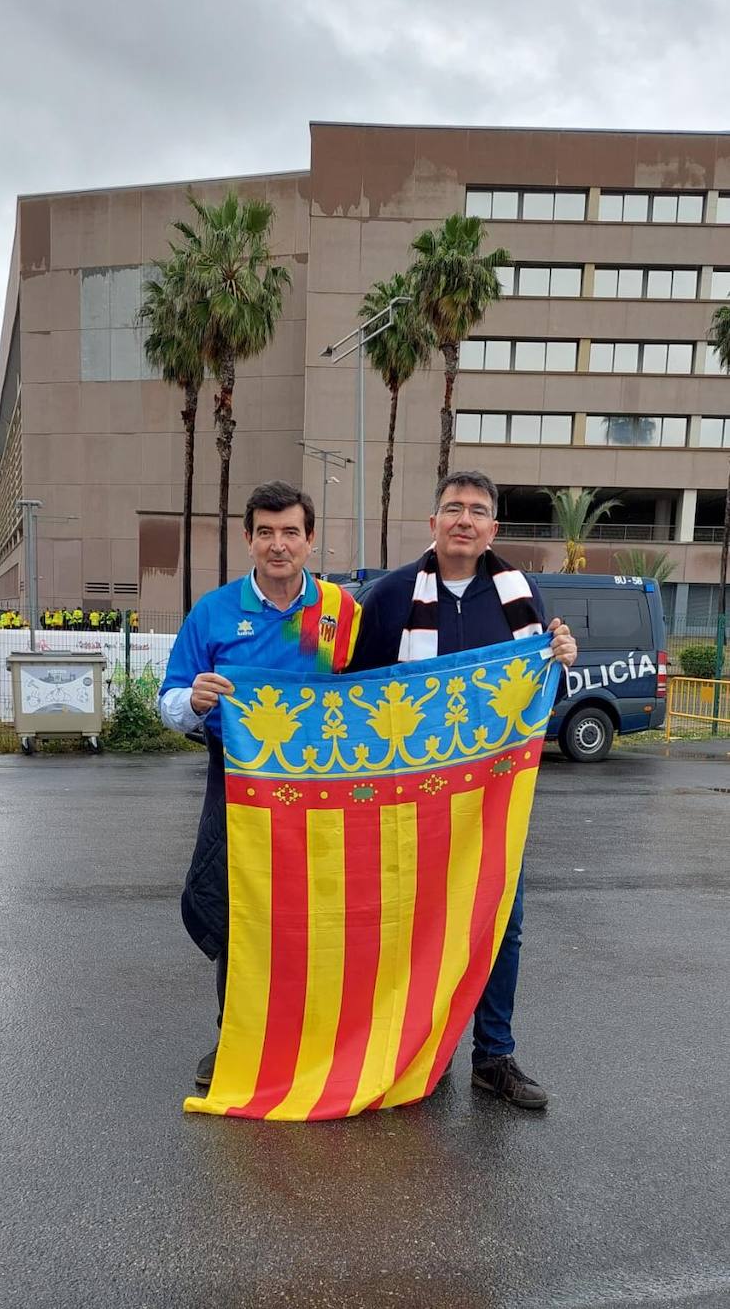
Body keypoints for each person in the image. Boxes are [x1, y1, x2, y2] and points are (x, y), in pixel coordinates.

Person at [348, 470, 578, 1109]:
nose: (464, 520)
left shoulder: (518, 595)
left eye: (478, 511)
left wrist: (558, 659)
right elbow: (355, 695)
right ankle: (417, 1051)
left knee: (501, 926)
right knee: (413, 928)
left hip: (493, 801)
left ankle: (493, 1057)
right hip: (409, 803)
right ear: (433, 522)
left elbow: (536, 700)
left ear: (492, 529)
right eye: (453, 508)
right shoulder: (389, 596)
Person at [159, 480, 361, 1086]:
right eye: (266, 533)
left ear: (310, 540)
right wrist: (192, 701)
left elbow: (382, 687)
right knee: (239, 908)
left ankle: (322, 1038)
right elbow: (168, 698)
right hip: (240, 782)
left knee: (323, 912)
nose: (279, 545)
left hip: (326, 789)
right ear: (248, 540)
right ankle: (235, 1037)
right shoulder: (215, 612)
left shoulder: (339, 612)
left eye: (291, 532)